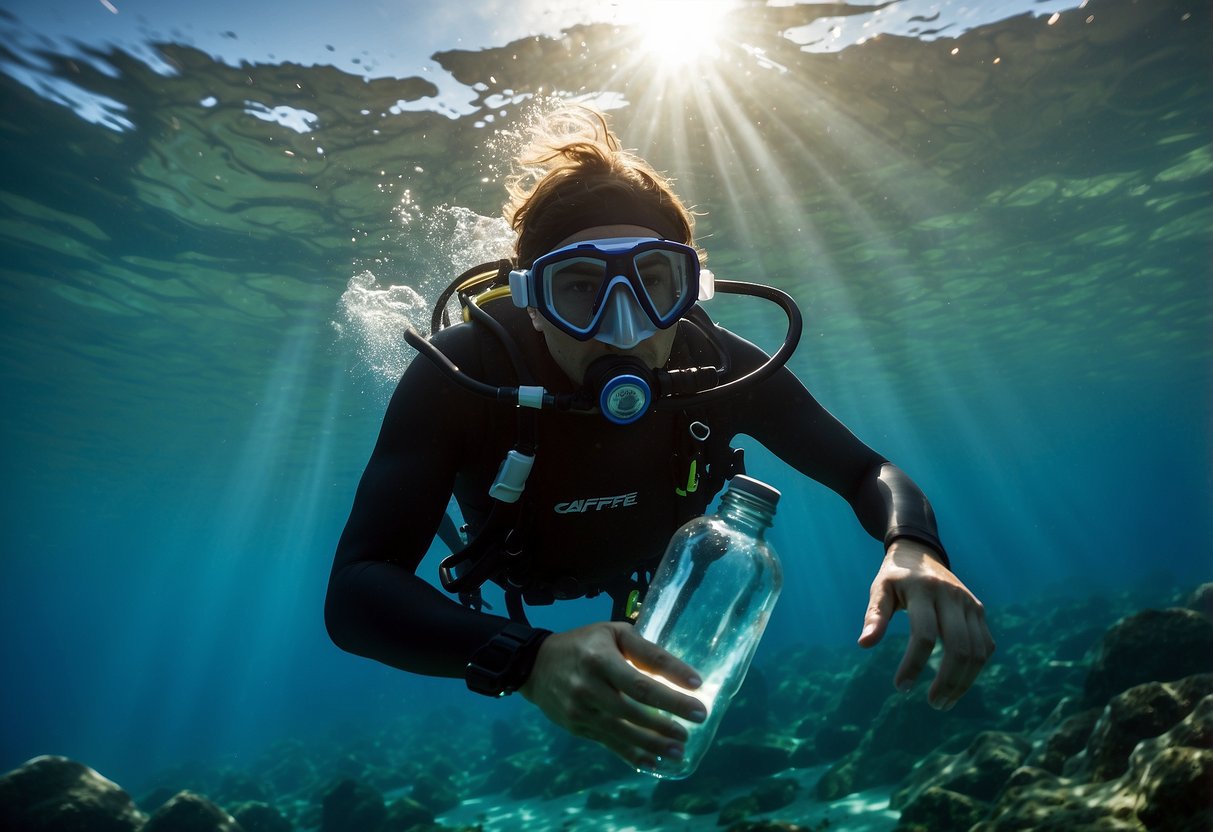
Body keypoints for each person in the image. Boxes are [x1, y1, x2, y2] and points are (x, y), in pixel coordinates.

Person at [325, 108, 994, 771]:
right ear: (531, 298)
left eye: (652, 284)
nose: (624, 327)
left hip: (649, 570)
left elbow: (863, 471)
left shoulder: (718, 365)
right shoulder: (465, 372)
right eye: (580, 288)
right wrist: (528, 659)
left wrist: (913, 547)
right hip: (520, 569)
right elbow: (356, 592)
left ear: (688, 289)